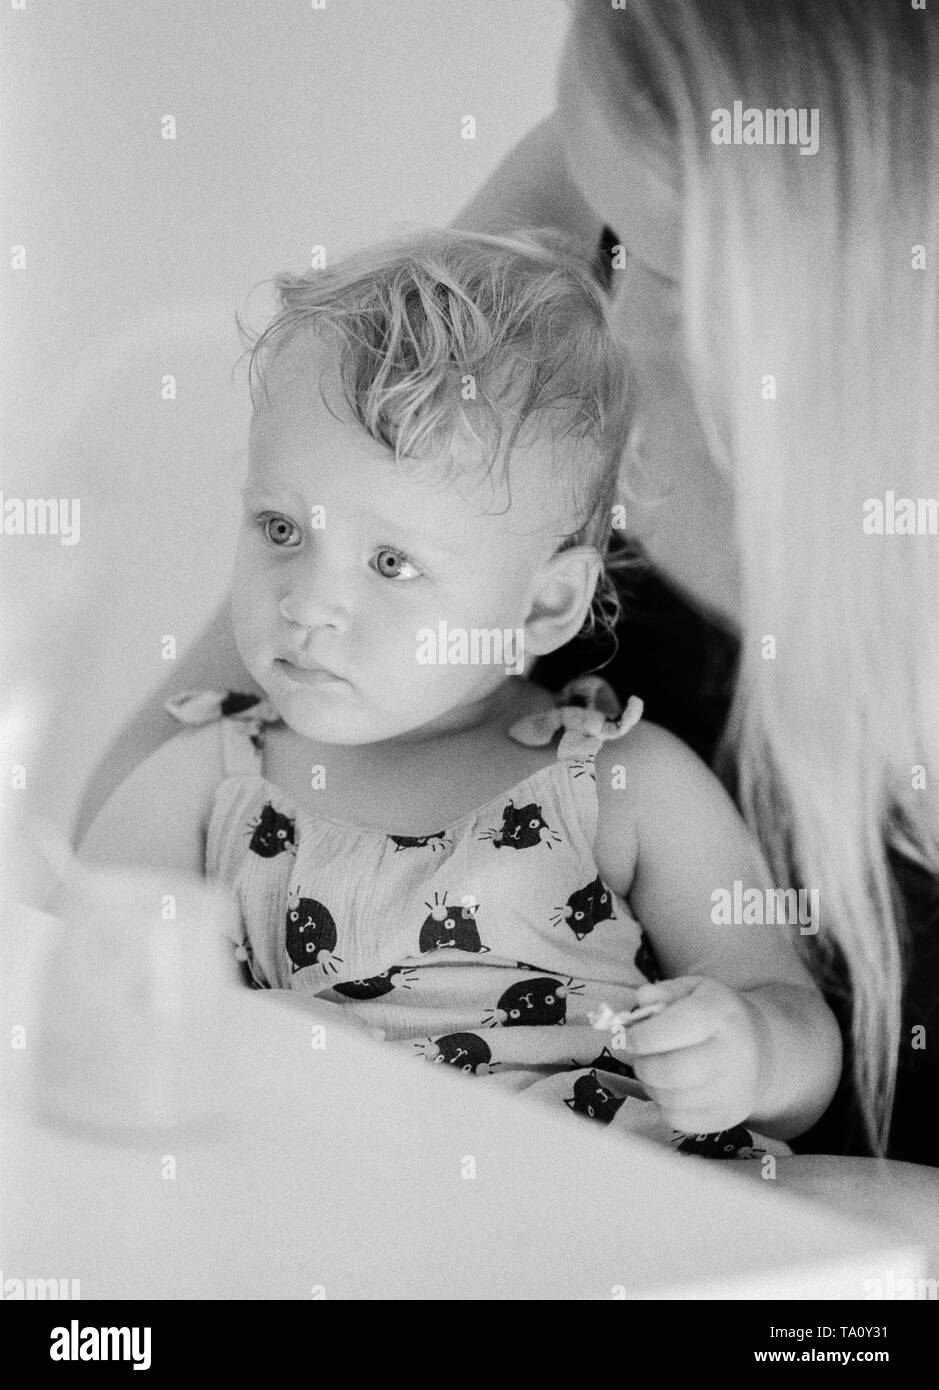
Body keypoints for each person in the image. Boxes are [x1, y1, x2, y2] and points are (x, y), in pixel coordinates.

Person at [75, 1, 939, 1173]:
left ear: (548, 605)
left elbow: (781, 1024)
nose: (310, 602)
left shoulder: (620, 786)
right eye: (278, 528)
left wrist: (742, 1051)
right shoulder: (209, 784)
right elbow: (98, 983)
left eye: (390, 565)